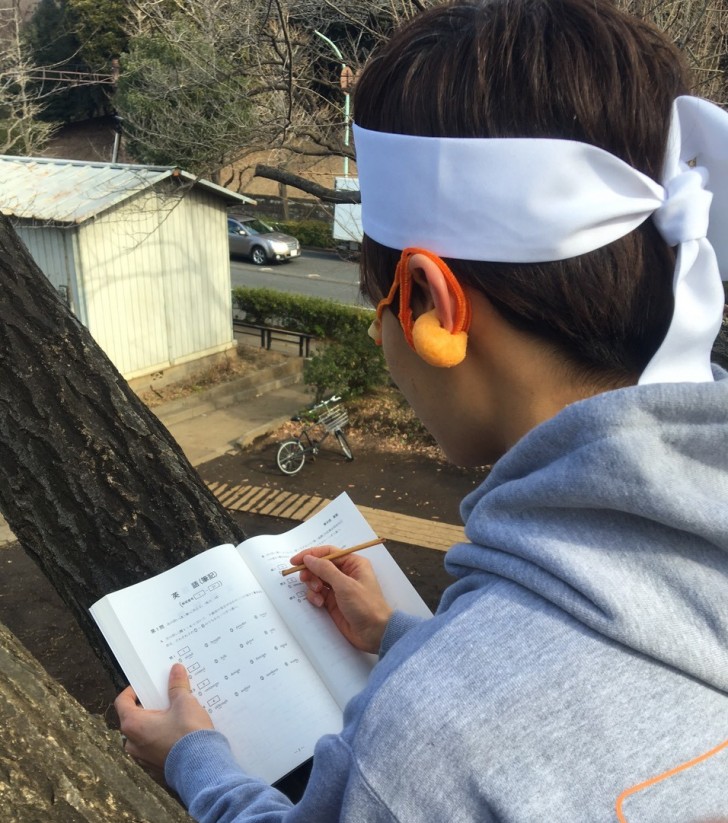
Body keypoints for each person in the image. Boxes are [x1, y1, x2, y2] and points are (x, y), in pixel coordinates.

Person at [115, 0, 728, 819]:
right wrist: (400, 634)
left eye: (378, 305)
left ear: (432, 304)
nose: (380, 338)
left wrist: (194, 757)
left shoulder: (435, 744)